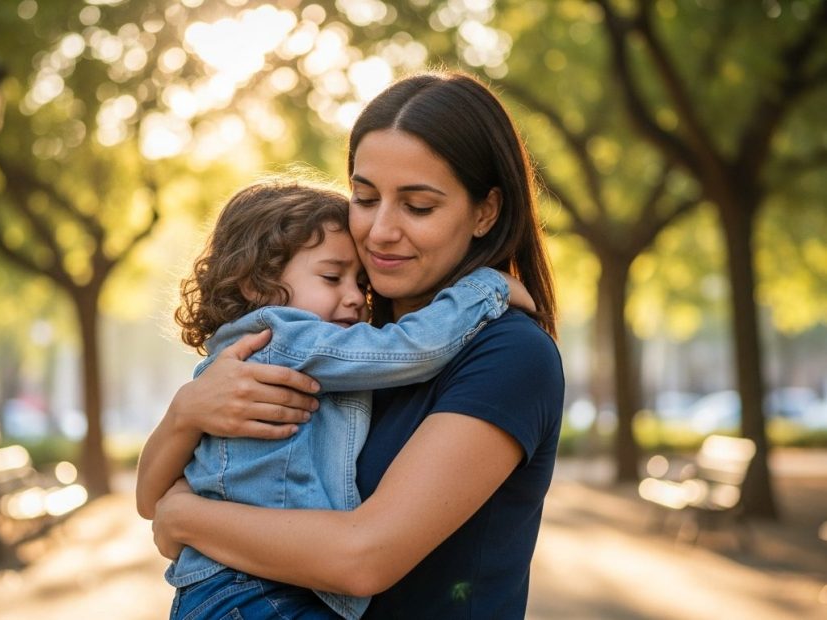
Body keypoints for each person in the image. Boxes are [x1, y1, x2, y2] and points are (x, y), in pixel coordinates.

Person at [140, 71, 564, 619]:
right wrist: (187, 411)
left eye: (418, 206)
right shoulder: (341, 339)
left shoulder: (510, 354)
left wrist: (185, 519)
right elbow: (154, 495)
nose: (380, 230)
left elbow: (362, 558)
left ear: (485, 211)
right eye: (364, 198)